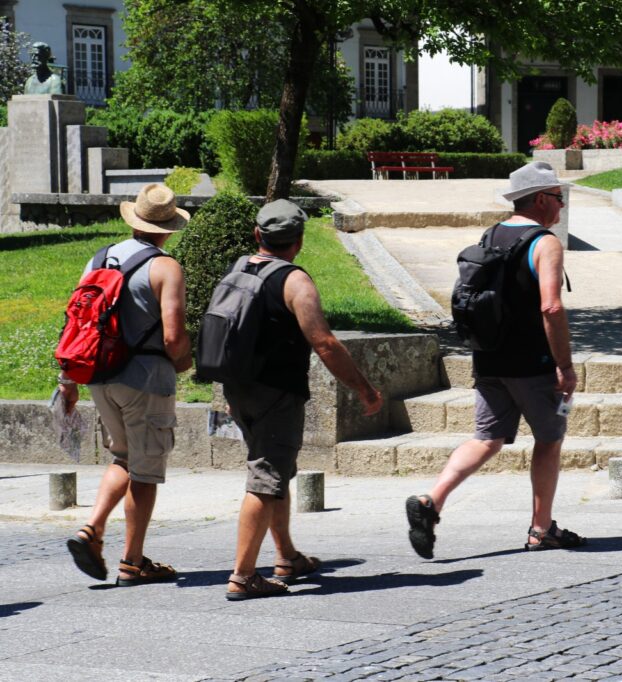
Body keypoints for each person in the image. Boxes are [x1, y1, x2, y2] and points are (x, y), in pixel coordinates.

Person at [405, 161, 585, 557]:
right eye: (558, 198)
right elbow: (551, 308)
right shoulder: (546, 242)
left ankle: (430, 501)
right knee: (550, 439)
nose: (561, 206)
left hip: (488, 358)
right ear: (541, 199)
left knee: (486, 438)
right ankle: (542, 529)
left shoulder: (492, 235)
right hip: (532, 361)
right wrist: (565, 366)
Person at [223, 200, 383, 600]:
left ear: (258, 235)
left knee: (276, 472)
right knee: (265, 478)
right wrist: (363, 387)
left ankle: (287, 557)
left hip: (239, 387)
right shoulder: (294, 281)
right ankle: (243, 577)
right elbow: (325, 343)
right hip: (276, 392)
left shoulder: (238, 269)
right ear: (299, 241)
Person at [62, 183, 192, 585]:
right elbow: (173, 337)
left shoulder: (99, 258)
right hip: (147, 380)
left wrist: (67, 378)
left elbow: (77, 320)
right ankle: (132, 563)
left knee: (123, 457)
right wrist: (188, 363)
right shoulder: (165, 267)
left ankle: (92, 528)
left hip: (100, 376)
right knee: (147, 471)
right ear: (168, 227)